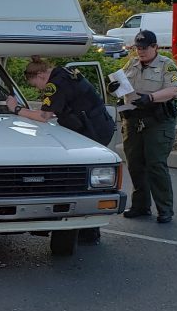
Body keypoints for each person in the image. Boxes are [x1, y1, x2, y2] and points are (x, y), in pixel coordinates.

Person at [6, 56, 115, 244]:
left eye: (35, 85)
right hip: (99, 125)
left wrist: (16, 109)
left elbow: (43, 115)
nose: (37, 89)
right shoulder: (66, 72)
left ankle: (88, 233)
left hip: (91, 131)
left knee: (82, 180)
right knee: (84, 179)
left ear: (40, 75)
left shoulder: (54, 84)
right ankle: (87, 232)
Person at [111, 30, 177, 224]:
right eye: (137, 48)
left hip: (157, 120)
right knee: (135, 164)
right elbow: (121, 82)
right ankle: (140, 206)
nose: (140, 52)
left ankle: (165, 209)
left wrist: (150, 97)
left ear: (155, 47)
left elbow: (174, 89)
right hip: (133, 120)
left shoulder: (167, 65)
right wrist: (115, 87)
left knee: (156, 165)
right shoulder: (132, 63)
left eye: (144, 48)